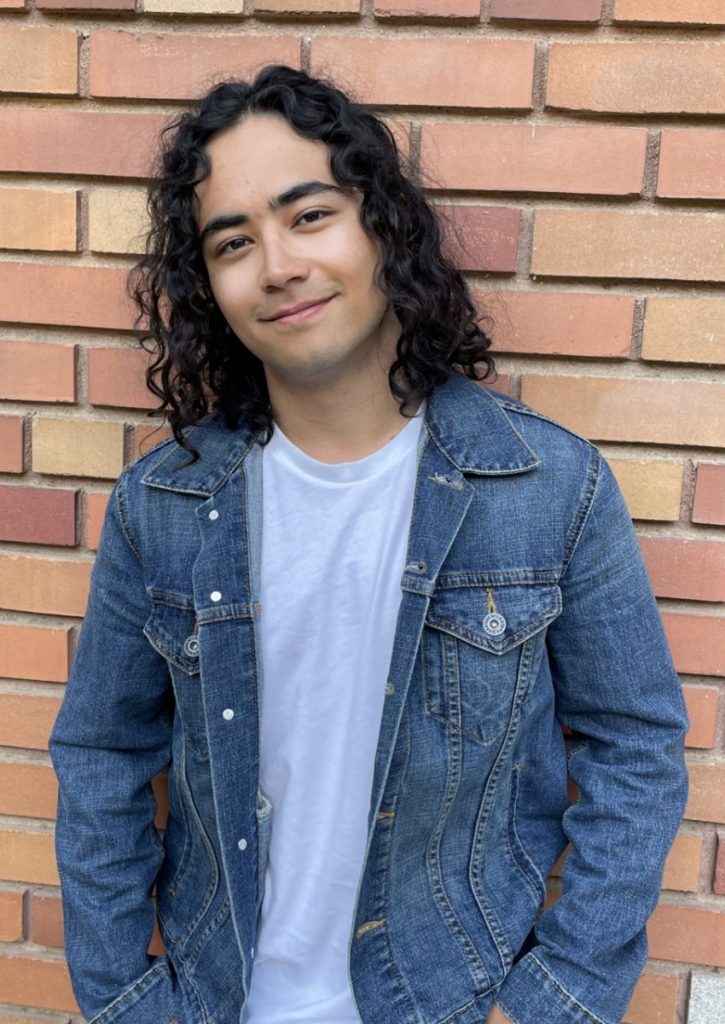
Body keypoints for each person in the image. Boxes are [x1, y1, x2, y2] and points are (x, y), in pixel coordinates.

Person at [49, 65, 688, 1024]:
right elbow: (101, 753)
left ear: (383, 226)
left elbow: (634, 746)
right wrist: (126, 999)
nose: (277, 265)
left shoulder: (546, 488)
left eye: (310, 215)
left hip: (455, 1001)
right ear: (208, 284)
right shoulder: (163, 505)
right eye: (233, 242)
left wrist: (554, 1000)